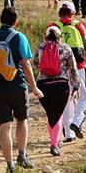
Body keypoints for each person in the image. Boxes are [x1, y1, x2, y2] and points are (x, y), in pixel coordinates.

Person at [0, 7, 43, 173]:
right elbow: (26, 64)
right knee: (22, 120)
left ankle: (9, 165)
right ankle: (22, 155)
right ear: (15, 22)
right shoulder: (19, 37)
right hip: (18, 85)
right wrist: (34, 87)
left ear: (0, 19)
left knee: (4, 126)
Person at [35, 26, 79, 156]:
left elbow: (34, 63)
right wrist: (76, 84)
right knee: (58, 114)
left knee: (50, 114)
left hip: (43, 84)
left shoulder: (40, 47)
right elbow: (73, 68)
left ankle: (54, 140)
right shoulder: (65, 48)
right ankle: (54, 144)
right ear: (60, 36)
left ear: (46, 36)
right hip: (61, 84)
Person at [52, 2, 86, 142]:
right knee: (83, 98)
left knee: (67, 100)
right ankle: (77, 122)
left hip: (59, 69)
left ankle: (69, 133)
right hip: (79, 66)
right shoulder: (78, 25)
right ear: (72, 13)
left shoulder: (53, 26)